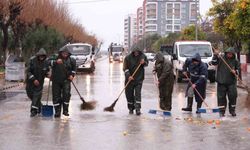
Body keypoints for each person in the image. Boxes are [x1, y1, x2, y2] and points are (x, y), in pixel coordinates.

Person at [210, 47, 240, 117]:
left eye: (231, 54)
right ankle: (222, 111)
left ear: (233, 54)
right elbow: (213, 63)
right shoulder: (221, 58)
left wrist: (235, 71)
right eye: (228, 54)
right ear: (226, 53)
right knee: (221, 98)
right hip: (221, 81)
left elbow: (238, 69)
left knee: (233, 96)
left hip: (231, 82)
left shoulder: (235, 61)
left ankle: (232, 110)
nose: (229, 55)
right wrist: (215, 55)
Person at [50, 47, 76, 118]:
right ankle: (57, 112)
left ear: (68, 54)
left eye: (66, 53)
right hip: (56, 81)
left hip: (66, 81)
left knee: (66, 95)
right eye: (63, 53)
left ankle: (65, 111)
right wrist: (55, 62)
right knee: (56, 96)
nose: (65, 54)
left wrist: (72, 75)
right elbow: (47, 62)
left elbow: (74, 69)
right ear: (61, 53)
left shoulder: (72, 60)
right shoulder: (55, 58)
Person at [123, 46, 148, 115]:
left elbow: (146, 64)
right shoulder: (127, 58)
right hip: (130, 79)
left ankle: (138, 109)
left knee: (138, 94)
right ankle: (131, 108)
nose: (136, 53)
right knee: (129, 94)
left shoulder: (143, 56)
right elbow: (125, 68)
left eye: (137, 52)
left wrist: (144, 63)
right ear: (133, 52)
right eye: (135, 52)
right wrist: (129, 76)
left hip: (139, 79)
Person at [26, 48, 50, 117]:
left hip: (39, 83)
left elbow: (46, 71)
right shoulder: (32, 60)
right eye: (40, 56)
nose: (41, 57)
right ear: (38, 55)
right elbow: (28, 71)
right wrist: (33, 79)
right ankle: (40, 106)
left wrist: (48, 75)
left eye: (43, 56)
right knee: (30, 95)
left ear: (45, 56)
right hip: (30, 82)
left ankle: (33, 111)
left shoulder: (46, 62)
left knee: (36, 96)